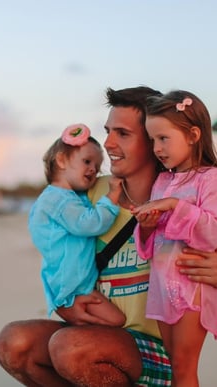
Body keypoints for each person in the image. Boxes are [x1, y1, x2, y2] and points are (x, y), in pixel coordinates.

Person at [0, 86, 217, 387]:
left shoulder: (184, 199)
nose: (107, 143)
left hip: (152, 350)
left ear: (154, 140)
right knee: (14, 343)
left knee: (71, 347)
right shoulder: (89, 193)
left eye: (122, 133)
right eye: (108, 131)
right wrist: (62, 302)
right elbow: (53, 252)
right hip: (94, 333)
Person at [131, 90, 217, 386]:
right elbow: (150, 247)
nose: (157, 148)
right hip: (163, 285)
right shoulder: (162, 181)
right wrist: (148, 225)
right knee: (175, 366)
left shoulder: (213, 178)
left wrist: (175, 205)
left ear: (193, 134)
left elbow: (215, 231)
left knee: (185, 368)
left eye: (164, 138)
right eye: (152, 140)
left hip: (193, 285)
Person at [28, 123, 126, 327]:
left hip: (76, 283)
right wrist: (112, 197)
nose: (93, 169)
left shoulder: (67, 198)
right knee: (116, 321)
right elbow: (88, 224)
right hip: (71, 287)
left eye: (98, 168)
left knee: (112, 322)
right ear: (62, 160)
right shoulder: (57, 200)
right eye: (87, 161)